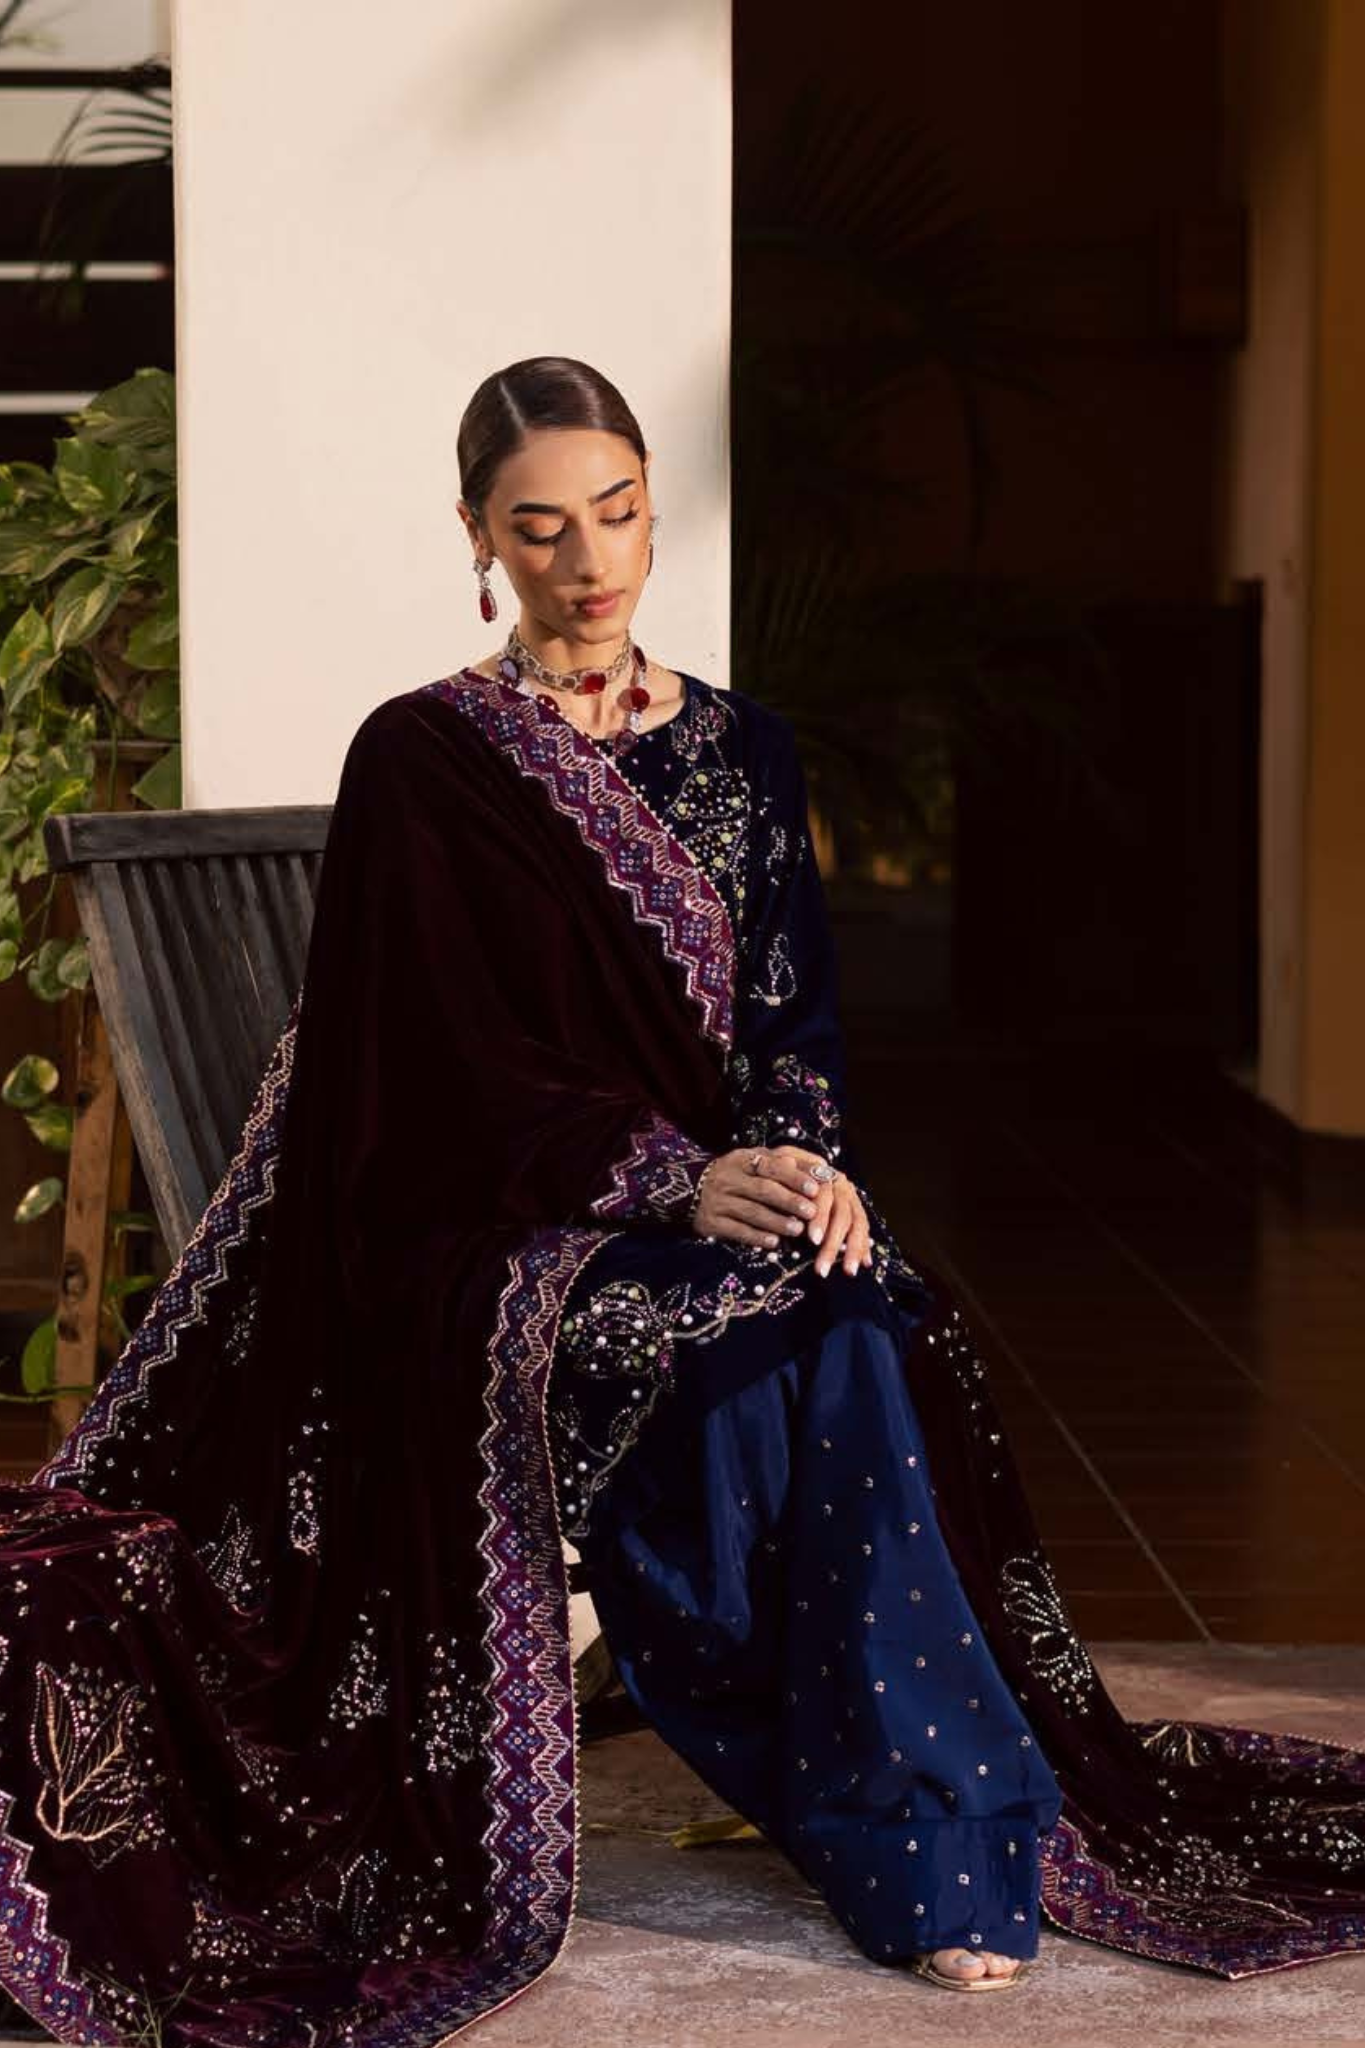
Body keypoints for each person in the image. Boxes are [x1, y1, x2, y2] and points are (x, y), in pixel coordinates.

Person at [0, 359, 1358, 2048]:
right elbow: (440, 1073)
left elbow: (795, 1022)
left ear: (655, 508)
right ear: (477, 536)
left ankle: (925, 1819)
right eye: (539, 527)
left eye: (618, 513)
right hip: (496, 1233)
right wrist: (673, 1178)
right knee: (761, 1345)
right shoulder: (425, 758)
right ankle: (921, 1836)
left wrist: (798, 1164)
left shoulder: (742, 750)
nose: (589, 562)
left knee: (853, 1306)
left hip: (716, 1210)